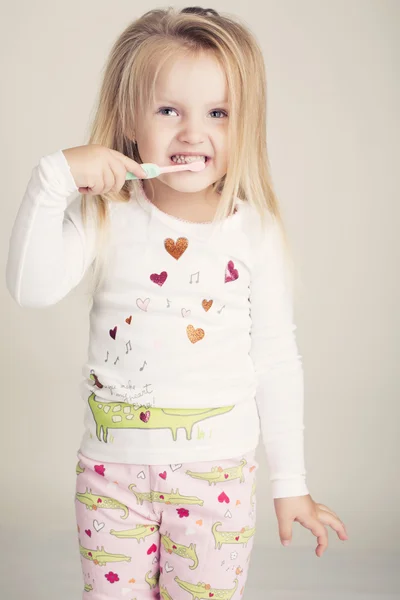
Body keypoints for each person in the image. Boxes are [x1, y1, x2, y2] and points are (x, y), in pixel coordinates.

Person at [5, 6, 348, 599]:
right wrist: (53, 179)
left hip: (216, 477)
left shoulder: (254, 232)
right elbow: (29, 289)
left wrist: (290, 481)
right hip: (111, 480)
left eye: (218, 113)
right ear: (131, 120)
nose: (193, 133)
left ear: (245, 125)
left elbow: (274, 359)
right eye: (170, 111)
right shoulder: (106, 214)